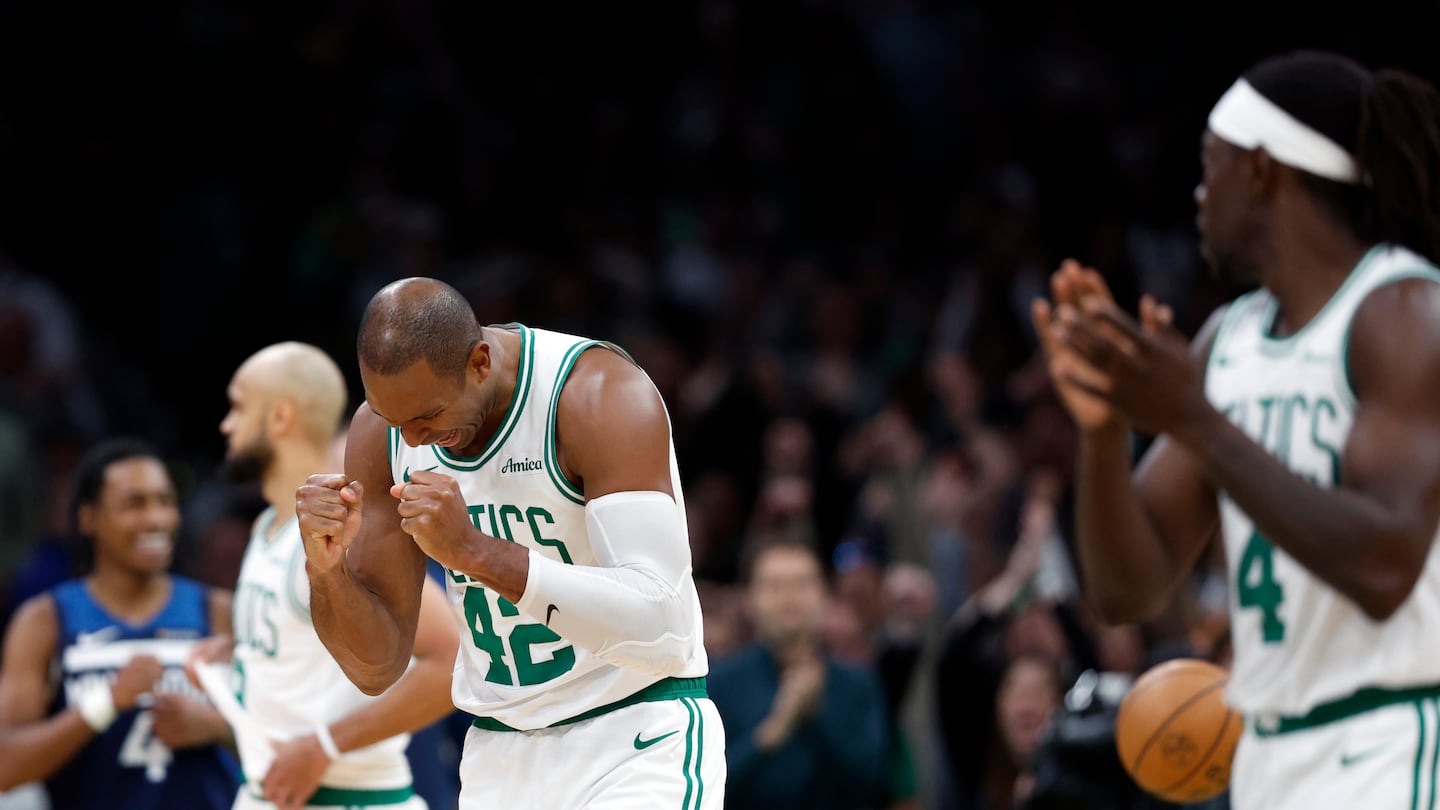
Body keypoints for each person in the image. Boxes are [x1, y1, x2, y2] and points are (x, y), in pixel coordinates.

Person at [1031, 50, 1440, 810]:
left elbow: (1387, 566)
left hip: (1394, 741)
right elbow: (1128, 591)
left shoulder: (1403, 313)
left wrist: (1194, 418)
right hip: (1267, 757)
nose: (1197, 194)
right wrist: (1103, 435)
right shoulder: (1230, 339)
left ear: (1260, 171)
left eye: (1208, 166)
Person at [295, 277, 726, 808]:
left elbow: (661, 623)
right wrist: (327, 570)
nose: (410, 441)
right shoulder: (379, 434)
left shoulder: (594, 393)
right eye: (392, 418)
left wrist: (474, 552)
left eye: (427, 417)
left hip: (633, 733)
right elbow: (376, 668)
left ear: (480, 362)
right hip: (499, 751)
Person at [190, 341, 461, 810]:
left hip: (352, 797)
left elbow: (451, 659)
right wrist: (236, 661)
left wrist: (325, 746)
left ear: (280, 417)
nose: (226, 424)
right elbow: (304, 655)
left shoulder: (341, 524)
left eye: (237, 406)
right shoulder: (266, 525)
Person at [0, 437, 240, 808]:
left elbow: (284, 745)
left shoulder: (219, 610)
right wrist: (105, 704)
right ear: (88, 518)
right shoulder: (45, 620)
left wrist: (215, 728)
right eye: (134, 504)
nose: (156, 518)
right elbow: (6, 766)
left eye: (165, 501)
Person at [707, 539, 892, 810]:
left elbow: (874, 784)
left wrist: (817, 714)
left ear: (824, 595)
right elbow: (708, 787)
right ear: (748, 599)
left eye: (802, 584)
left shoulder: (858, 684)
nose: (789, 597)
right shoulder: (718, 683)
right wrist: (771, 733)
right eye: (775, 586)